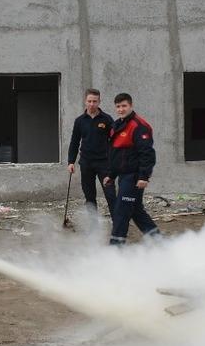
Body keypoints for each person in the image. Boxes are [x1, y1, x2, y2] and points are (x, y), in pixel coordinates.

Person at [102, 93, 161, 245]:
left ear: (131, 106)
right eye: (118, 106)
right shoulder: (116, 126)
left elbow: (147, 154)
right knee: (136, 211)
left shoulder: (138, 126)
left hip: (133, 177)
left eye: (124, 106)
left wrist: (143, 177)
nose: (121, 109)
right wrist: (111, 174)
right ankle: (159, 242)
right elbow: (115, 155)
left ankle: (116, 248)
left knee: (121, 210)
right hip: (123, 176)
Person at [67, 88, 116, 216]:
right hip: (86, 163)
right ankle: (93, 227)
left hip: (104, 163)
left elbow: (115, 140)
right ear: (85, 101)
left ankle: (118, 226)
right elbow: (74, 142)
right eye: (89, 101)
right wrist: (71, 161)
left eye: (95, 101)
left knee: (110, 195)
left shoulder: (107, 119)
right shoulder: (79, 121)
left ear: (99, 102)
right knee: (89, 197)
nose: (91, 104)